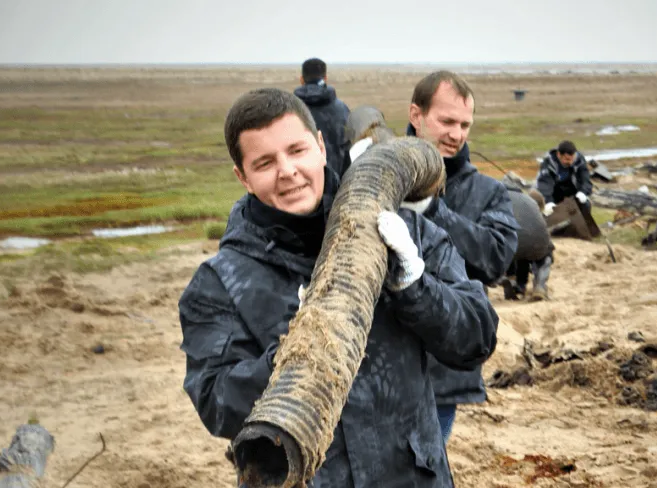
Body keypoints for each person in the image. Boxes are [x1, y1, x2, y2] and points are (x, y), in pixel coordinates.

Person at [178, 88, 499, 487]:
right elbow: (217, 405)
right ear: (242, 177)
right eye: (264, 162)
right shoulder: (219, 282)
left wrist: (415, 287)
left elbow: (477, 340)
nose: (288, 171)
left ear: (321, 147)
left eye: (297, 151)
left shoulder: (403, 232)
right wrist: (298, 347)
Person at [404, 70, 518, 444]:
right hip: (374, 365)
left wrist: (431, 209)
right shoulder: (375, 175)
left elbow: (495, 259)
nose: (457, 133)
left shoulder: (489, 193)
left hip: (444, 367)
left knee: (423, 469)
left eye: (465, 124)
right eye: (447, 121)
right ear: (416, 115)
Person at [294, 57, 351, 177]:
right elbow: (347, 151)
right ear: (325, 78)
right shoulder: (342, 109)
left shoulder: (288, 111)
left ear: (302, 80)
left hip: (300, 185)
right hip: (337, 185)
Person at [536, 140, 593, 218]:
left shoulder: (579, 160)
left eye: (572, 159)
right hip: (554, 193)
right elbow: (544, 184)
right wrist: (548, 201)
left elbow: (586, 179)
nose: (570, 162)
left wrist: (583, 192)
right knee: (548, 214)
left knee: (586, 205)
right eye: (567, 159)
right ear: (559, 154)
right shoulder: (548, 163)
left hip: (574, 193)